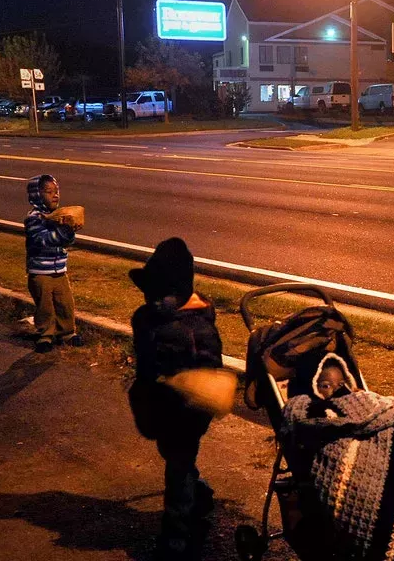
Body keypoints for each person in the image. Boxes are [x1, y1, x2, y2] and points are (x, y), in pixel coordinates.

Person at [283, 352, 394, 561]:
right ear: (312, 387)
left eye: (342, 383)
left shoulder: (372, 405)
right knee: (384, 518)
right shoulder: (311, 416)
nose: (339, 390)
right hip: (355, 470)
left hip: (387, 449)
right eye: (326, 385)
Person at [126, 238, 223, 561]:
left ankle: (176, 543)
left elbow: (209, 370)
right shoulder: (155, 321)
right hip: (164, 406)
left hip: (186, 412)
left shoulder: (195, 328)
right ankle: (200, 495)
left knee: (177, 469)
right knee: (176, 460)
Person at [24, 174, 81, 353]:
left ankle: (66, 332)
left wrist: (70, 231)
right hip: (41, 272)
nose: (55, 195)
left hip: (59, 270)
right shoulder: (34, 218)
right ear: (37, 195)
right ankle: (45, 334)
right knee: (45, 305)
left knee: (65, 303)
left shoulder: (59, 216)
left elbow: (66, 241)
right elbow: (42, 240)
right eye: (49, 192)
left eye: (56, 191)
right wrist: (62, 232)